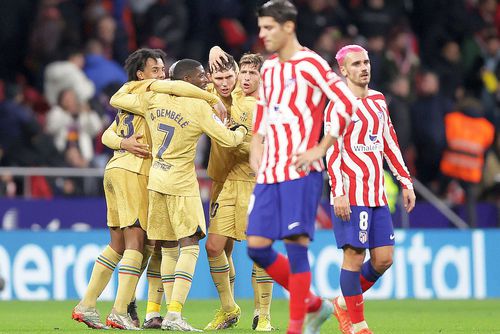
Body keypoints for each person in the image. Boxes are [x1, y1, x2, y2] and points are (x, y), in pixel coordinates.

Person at [72, 49, 226, 330]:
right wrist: (211, 97)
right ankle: (120, 310)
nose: (162, 74)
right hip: (136, 172)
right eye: (155, 70)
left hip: (115, 169)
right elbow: (175, 85)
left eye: (162, 69)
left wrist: (121, 142)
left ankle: (87, 304)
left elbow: (108, 132)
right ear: (141, 75)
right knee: (137, 244)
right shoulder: (152, 94)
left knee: (117, 244)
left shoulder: (132, 95)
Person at [245, 2, 357, 334]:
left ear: (289, 27)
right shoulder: (268, 68)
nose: (262, 34)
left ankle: (297, 328)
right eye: (261, 28)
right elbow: (263, 111)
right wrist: (255, 145)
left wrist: (321, 147)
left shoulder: (311, 64)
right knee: (257, 248)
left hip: (301, 171)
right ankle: (311, 303)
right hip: (270, 170)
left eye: (268, 28)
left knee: (296, 246)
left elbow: (345, 101)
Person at [110, 73, 247, 332]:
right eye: (200, 77)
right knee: (190, 246)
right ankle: (174, 314)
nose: (206, 80)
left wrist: (150, 84)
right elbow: (227, 140)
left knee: (169, 249)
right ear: (187, 81)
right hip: (182, 186)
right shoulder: (198, 106)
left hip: (156, 181)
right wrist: (241, 131)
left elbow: (118, 99)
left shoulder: (153, 98)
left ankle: (158, 312)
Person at [325, 45, 416, 334]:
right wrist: (338, 191)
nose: (364, 68)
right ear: (343, 70)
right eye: (356, 64)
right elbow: (332, 152)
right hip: (351, 195)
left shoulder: (378, 100)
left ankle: (342, 302)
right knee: (354, 256)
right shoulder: (337, 105)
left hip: (377, 194)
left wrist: (405, 181)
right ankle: (358, 325)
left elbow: (389, 142)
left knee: (384, 259)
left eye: (365, 62)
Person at [204, 53, 275, 331]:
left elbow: (268, 149)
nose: (245, 78)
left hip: (258, 184)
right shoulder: (230, 93)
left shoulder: (269, 107)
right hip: (230, 182)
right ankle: (229, 308)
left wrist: (237, 139)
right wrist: (214, 52)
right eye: (242, 72)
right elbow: (217, 67)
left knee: (260, 250)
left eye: (252, 73)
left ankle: (264, 315)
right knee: (214, 246)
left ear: (262, 77)